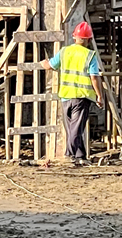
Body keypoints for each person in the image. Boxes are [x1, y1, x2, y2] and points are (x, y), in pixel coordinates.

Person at [41, 21, 103, 165]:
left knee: (72, 128)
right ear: (89, 39)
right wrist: (99, 95)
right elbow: (94, 77)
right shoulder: (90, 55)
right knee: (76, 128)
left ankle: (80, 155)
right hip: (81, 96)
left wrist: (43, 64)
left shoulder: (64, 51)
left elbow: (50, 65)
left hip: (65, 96)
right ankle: (70, 154)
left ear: (74, 37)